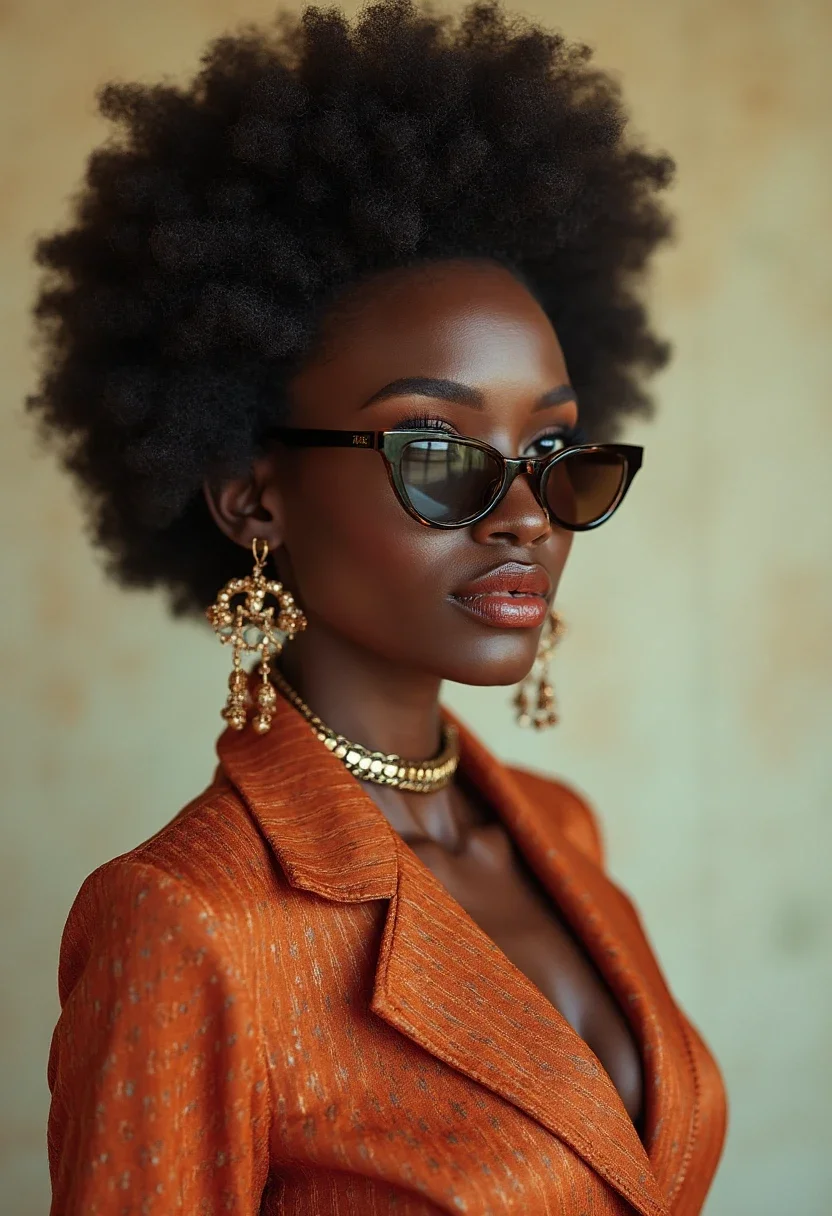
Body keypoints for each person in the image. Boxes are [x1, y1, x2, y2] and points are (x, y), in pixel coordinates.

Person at [32, 1, 727, 1211]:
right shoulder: (188, 920)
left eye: (551, 450)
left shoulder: (558, 834)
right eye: (439, 452)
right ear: (254, 495)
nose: (526, 514)